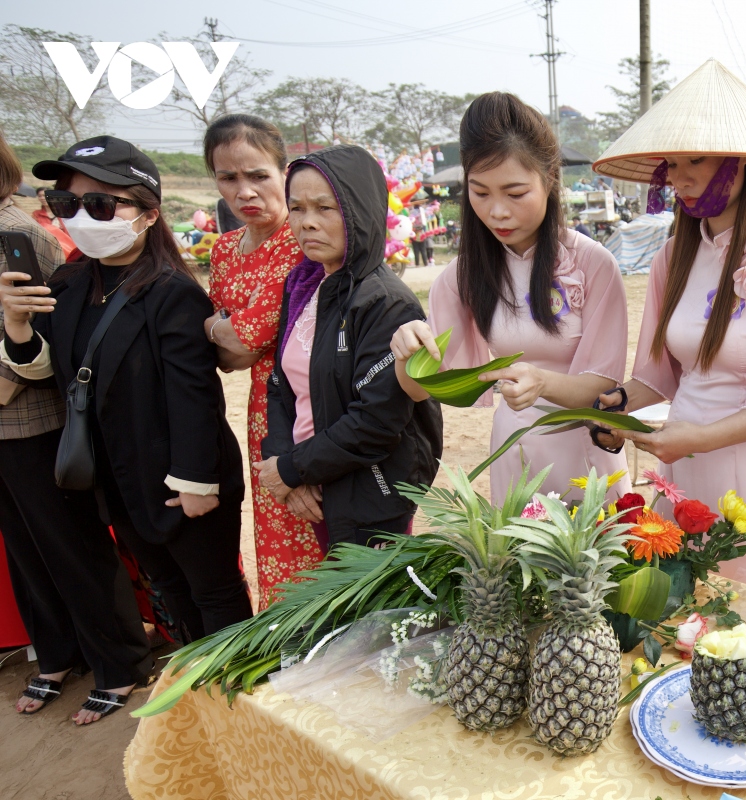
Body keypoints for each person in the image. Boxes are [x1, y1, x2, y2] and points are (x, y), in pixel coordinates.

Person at [590, 59, 746, 586]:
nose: (678, 178)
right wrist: (617, 406)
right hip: (681, 456)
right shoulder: (671, 258)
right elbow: (659, 377)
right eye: (671, 164)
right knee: (681, 596)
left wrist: (701, 437)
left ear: (744, 160)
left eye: (695, 159)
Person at [0, 136, 252, 656]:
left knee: (215, 593)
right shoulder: (69, 284)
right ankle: (197, 694)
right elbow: (55, 373)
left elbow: (195, 398)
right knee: (169, 592)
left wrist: (197, 483)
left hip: (182, 479)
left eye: (100, 203)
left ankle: (242, 701)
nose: (81, 217)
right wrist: (18, 325)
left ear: (147, 213)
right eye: (66, 204)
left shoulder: (173, 293)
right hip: (116, 479)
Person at [391, 93, 629, 500]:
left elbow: (603, 384)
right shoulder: (460, 277)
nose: (497, 211)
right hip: (514, 451)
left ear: (550, 178)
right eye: (480, 193)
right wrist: (406, 352)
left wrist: (542, 382)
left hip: (585, 452)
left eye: (515, 193)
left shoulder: (592, 263)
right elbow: (422, 388)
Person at [0, 132, 152, 725]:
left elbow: (52, 341)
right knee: (25, 552)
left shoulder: (23, 237)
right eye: (67, 202)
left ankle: (118, 662)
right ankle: (56, 655)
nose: (78, 217)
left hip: (34, 420)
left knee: (73, 547)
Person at [257, 145, 443, 546]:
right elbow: (281, 384)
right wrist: (283, 463)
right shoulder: (305, 284)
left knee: (374, 609)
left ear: (360, 210)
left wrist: (291, 469)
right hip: (314, 484)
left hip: (368, 495)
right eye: (297, 209)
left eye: (325, 208)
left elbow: (375, 423)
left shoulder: (383, 302)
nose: (307, 223)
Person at [202, 114, 322, 607]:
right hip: (260, 410)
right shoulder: (226, 249)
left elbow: (247, 341)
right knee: (273, 528)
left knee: (311, 527)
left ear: (284, 172)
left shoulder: (301, 243)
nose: (244, 191)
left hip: (307, 404)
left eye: (258, 175)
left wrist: (213, 325)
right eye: (228, 178)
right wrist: (223, 330)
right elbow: (227, 355)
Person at [31, 186, 79, 261]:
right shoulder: (36, 214)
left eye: (44, 195)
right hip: (47, 247)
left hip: (67, 246)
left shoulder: (63, 213)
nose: (42, 198)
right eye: (40, 196)